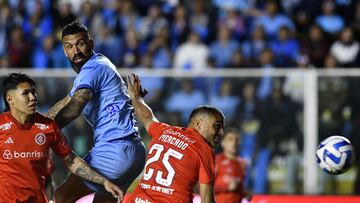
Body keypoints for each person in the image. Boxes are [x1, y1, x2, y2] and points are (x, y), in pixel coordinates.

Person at [45, 21, 147, 203]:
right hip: (135, 152)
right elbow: (66, 101)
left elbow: (75, 105)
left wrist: (44, 132)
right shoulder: (97, 65)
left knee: (62, 196)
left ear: (90, 44)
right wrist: (41, 122)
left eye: (80, 44)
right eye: (69, 46)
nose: (75, 51)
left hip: (114, 150)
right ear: (64, 51)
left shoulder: (92, 68)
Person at [0, 73, 123, 203]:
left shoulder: (48, 126)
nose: (33, 97)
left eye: (33, 92)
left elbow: (71, 161)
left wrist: (104, 181)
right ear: (10, 99)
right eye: (26, 93)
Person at [124, 73, 225, 203]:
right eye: (217, 126)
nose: (221, 132)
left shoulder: (164, 131)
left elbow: (147, 117)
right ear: (199, 124)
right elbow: (207, 201)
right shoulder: (203, 148)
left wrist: (136, 98)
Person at [214, 128, 250, 203]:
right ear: (223, 143)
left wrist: (245, 193)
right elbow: (204, 186)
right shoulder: (216, 161)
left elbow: (239, 187)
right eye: (230, 139)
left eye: (236, 140)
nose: (234, 142)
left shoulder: (243, 163)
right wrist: (226, 186)